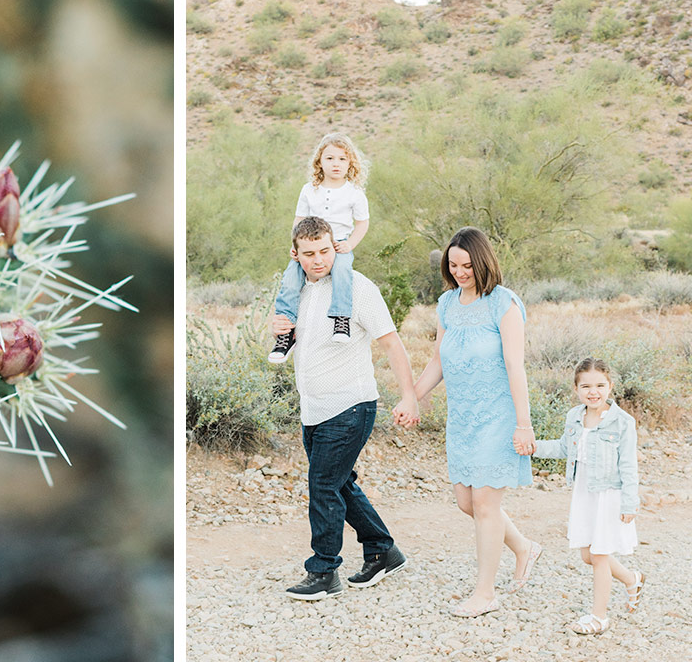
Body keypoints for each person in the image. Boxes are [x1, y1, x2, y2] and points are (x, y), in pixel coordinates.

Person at [272, 216, 419, 600]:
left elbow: (392, 344)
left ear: (334, 246)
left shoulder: (357, 289)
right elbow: (297, 349)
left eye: (325, 251)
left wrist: (409, 395)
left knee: (322, 485)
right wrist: (276, 332)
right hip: (313, 409)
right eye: (309, 254)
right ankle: (383, 550)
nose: (319, 260)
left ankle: (323, 571)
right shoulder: (295, 293)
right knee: (338, 483)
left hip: (350, 404)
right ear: (296, 254)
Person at [412, 226, 540, 617]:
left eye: (467, 264)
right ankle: (523, 546)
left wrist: (524, 423)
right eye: (453, 265)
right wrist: (411, 397)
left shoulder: (504, 303)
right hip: (462, 418)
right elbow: (438, 361)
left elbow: (515, 366)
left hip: (499, 415)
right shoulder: (447, 304)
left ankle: (485, 592)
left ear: (482, 261)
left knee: (485, 503)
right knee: (467, 502)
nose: (460, 271)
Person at [523, 358, 644, 635]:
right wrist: (533, 447)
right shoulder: (574, 417)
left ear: (610, 387)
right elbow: (564, 448)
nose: (594, 391)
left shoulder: (623, 422)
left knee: (600, 555)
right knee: (588, 555)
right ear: (577, 389)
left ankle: (599, 617)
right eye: (586, 386)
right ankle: (631, 578)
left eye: (600, 385)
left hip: (609, 494)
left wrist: (630, 502)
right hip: (584, 492)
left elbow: (628, 465)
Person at [269, 132, 370, 364]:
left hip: (338, 243)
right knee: (290, 278)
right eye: (330, 158)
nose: (336, 164)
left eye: (343, 159)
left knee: (343, 273)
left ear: (351, 163)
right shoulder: (309, 189)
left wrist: (350, 244)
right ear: (320, 162)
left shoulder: (354, 192)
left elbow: (363, 223)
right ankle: (285, 333)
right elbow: (299, 218)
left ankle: (341, 319)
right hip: (308, 243)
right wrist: (295, 245)